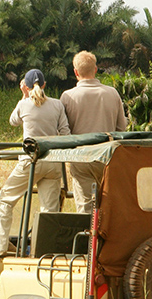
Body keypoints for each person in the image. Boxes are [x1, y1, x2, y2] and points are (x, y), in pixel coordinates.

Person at [0, 69, 70, 255]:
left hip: (31, 161)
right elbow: (65, 133)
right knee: (50, 209)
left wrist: (24, 97)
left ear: (26, 86)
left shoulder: (23, 105)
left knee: (6, 199)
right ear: (45, 85)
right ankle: (46, 251)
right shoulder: (57, 105)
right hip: (53, 162)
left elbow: (13, 121)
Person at [60, 51, 128, 213]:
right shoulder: (112, 93)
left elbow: (63, 132)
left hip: (82, 159)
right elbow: (122, 128)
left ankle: (88, 238)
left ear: (76, 72)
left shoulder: (67, 96)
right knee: (109, 208)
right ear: (95, 69)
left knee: (86, 209)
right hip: (108, 158)